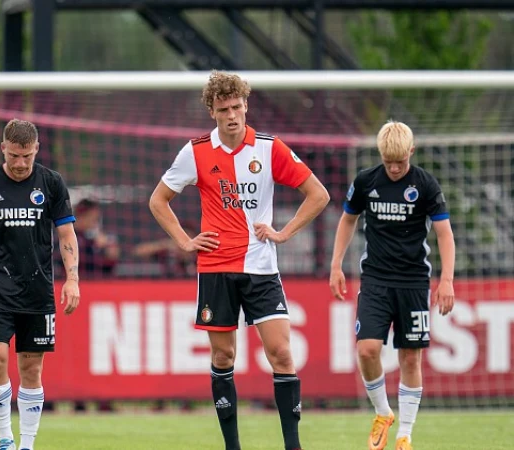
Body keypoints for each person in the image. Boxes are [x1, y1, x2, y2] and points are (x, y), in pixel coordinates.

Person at [149, 70, 329, 450]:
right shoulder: (195, 152)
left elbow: (318, 195)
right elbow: (158, 200)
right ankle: (232, 446)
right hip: (216, 268)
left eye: (237, 107)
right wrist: (184, 241)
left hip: (262, 267)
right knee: (224, 354)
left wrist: (284, 232)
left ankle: (293, 445)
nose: (231, 115)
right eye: (223, 109)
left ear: (246, 106)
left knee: (280, 352)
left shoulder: (268, 147)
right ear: (212, 112)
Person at [0, 119, 81, 450]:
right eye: (14, 156)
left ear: (36, 149)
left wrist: (73, 280)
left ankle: (27, 444)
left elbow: (66, 234)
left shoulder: (52, 183)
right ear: (3, 149)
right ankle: (4, 439)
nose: (21, 163)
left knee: (30, 367)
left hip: (38, 288)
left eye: (27, 156)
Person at [329, 121, 455, 450]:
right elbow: (347, 219)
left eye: (401, 161)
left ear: (411, 153)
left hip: (414, 281)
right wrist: (336, 265)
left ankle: (405, 436)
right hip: (376, 280)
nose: (395, 168)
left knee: (410, 358)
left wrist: (447, 280)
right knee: (367, 349)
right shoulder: (366, 181)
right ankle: (383, 414)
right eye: (389, 162)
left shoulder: (425, 185)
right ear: (381, 156)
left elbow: (444, 233)